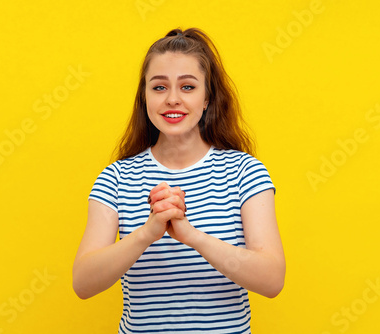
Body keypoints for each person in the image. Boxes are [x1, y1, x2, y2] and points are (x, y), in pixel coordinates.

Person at [73, 27, 285, 334]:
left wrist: (191, 236)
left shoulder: (244, 171)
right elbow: (83, 282)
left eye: (187, 87)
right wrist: (147, 233)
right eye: (159, 88)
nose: (173, 99)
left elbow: (271, 279)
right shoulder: (116, 178)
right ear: (144, 97)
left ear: (207, 98)